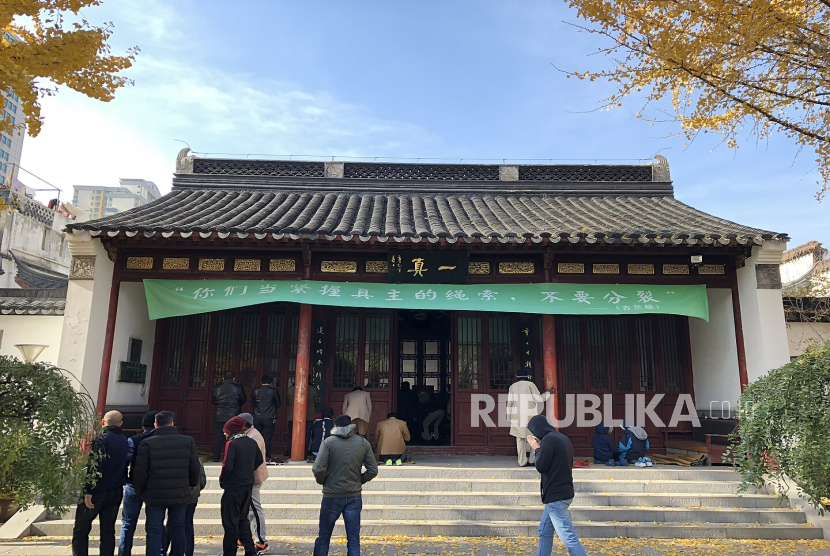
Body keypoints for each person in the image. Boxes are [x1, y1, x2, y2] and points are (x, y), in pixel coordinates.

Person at [133, 411, 200, 556]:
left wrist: (140, 490)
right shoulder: (188, 441)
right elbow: (194, 467)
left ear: (155, 425)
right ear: (171, 423)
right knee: (178, 527)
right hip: (179, 492)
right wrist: (192, 484)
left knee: (154, 529)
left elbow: (140, 472)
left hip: (154, 493)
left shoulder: (147, 443)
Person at [311, 415, 378, 556]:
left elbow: (317, 468)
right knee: (353, 538)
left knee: (324, 536)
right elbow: (373, 470)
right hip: (354, 494)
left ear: (335, 426)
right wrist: (360, 480)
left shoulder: (328, 442)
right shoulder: (363, 442)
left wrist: (323, 481)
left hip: (331, 495)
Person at [526, 415, 587, 556]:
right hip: (562, 492)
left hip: (556, 496)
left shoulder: (549, 439)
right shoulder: (561, 438)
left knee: (568, 537)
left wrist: (536, 448)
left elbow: (541, 466)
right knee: (544, 532)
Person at [72, 410, 128, 556]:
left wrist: (88, 490)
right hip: (116, 490)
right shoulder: (125, 441)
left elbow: (95, 467)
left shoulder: (101, 440)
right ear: (121, 424)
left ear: (103, 422)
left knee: (81, 528)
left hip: (98, 490)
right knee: (108, 530)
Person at [219, 416, 263, 556]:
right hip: (247, 484)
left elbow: (227, 466)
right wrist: (247, 471)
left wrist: (223, 481)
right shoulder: (251, 442)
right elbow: (259, 460)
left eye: (226, 431)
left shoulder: (232, 444)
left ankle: (229, 552)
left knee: (230, 522)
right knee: (243, 519)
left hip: (233, 486)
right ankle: (250, 550)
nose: (224, 433)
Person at [119, 410, 158, 556]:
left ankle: (124, 552)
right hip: (154, 486)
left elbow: (125, 461)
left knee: (128, 523)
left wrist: (125, 478)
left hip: (134, 484)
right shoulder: (161, 440)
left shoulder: (134, 440)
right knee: (154, 526)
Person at [507, 375, 555, 467]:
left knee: (520, 439)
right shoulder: (530, 385)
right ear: (527, 377)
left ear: (517, 377)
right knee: (533, 437)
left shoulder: (512, 386)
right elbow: (539, 398)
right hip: (530, 414)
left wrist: (509, 417)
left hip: (516, 415)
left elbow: (510, 403)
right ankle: (533, 460)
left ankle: (522, 462)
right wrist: (549, 393)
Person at [239, 413, 269, 552]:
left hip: (252, 477)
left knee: (254, 510)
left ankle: (261, 541)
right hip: (247, 477)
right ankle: (243, 536)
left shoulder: (254, 437)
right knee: (244, 509)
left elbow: (251, 459)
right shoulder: (249, 434)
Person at [165, 461, 206, 556]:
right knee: (188, 524)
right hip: (192, 498)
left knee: (172, 523)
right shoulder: (198, 462)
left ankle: (164, 548)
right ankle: (188, 551)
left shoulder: (178, 461)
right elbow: (202, 481)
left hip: (178, 497)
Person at [213, 371, 247, 462]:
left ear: (223, 378)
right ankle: (232, 458)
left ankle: (216, 458)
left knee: (218, 437)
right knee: (233, 436)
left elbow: (213, 400)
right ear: (234, 378)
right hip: (233, 414)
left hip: (219, 414)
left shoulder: (217, 388)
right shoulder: (238, 388)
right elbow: (243, 399)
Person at [286, 377, 319, 455]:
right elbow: (316, 402)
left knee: (292, 435)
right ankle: (304, 454)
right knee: (306, 436)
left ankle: (291, 454)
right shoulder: (313, 389)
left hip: (293, 415)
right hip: (309, 416)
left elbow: (287, 401)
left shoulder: (290, 389)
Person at [251, 375, 281, 461]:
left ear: (261, 382)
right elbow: (278, 404)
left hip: (257, 416)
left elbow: (253, 404)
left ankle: (256, 455)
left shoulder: (255, 391)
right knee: (267, 437)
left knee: (256, 436)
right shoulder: (274, 391)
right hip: (269, 417)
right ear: (271, 383)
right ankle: (267, 456)